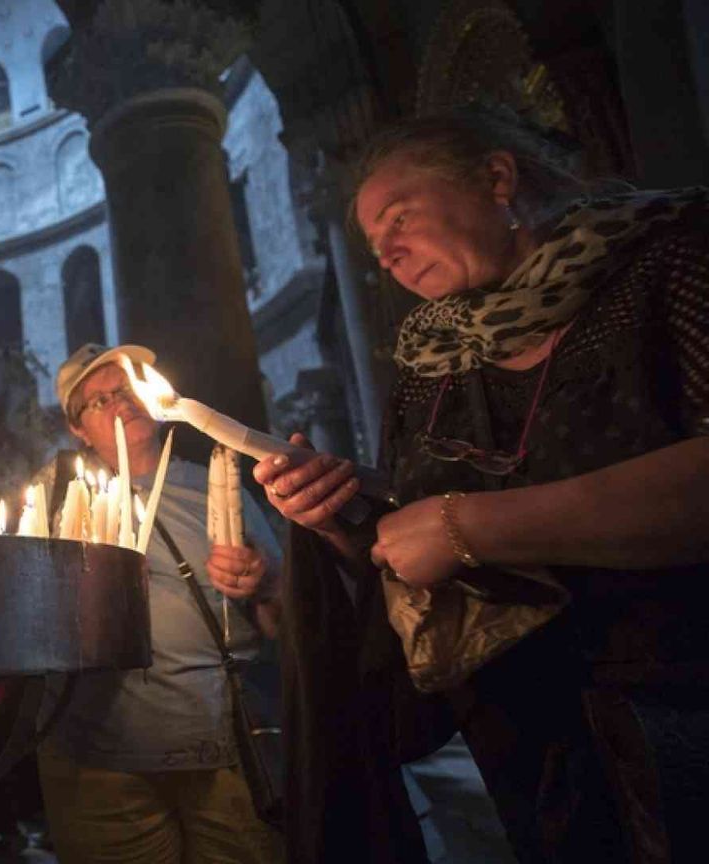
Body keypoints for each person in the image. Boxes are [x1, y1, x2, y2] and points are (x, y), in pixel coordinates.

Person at [257, 106, 709, 863]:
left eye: (400, 218)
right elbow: (411, 522)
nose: (389, 256)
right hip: (523, 738)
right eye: (375, 246)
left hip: (678, 701)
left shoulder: (667, 265)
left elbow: (450, 522)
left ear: (497, 179)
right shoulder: (430, 363)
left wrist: (470, 527)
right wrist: (337, 515)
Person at [35, 343, 286, 864]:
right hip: (94, 754)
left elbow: (284, 622)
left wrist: (261, 584)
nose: (120, 403)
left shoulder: (219, 485)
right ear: (77, 429)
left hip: (221, 748)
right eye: (99, 401)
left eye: (127, 389)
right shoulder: (52, 496)